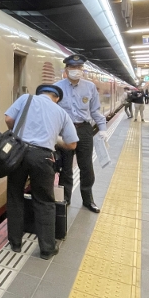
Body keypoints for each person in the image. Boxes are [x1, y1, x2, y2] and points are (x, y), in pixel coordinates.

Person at [4, 84, 78, 259]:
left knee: (15, 196)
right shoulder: (61, 113)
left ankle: (15, 243)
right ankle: (47, 248)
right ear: (57, 98)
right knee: (44, 200)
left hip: (19, 153)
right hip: (43, 157)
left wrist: (18, 133)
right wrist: (54, 140)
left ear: (39, 94)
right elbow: (72, 144)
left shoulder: (26, 99)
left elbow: (8, 119)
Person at [54, 55, 106, 213]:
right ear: (66, 69)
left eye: (79, 67)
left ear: (83, 69)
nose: (76, 70)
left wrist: (103, 128)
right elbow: (51, 111)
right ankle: (65, 199)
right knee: (66, 168)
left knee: (86, 167)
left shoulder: (90, 87)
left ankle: (88, 200)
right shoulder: (57, 87)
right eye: (72, 67)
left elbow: (95, 110)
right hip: (64, 130)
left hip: (84, 129)